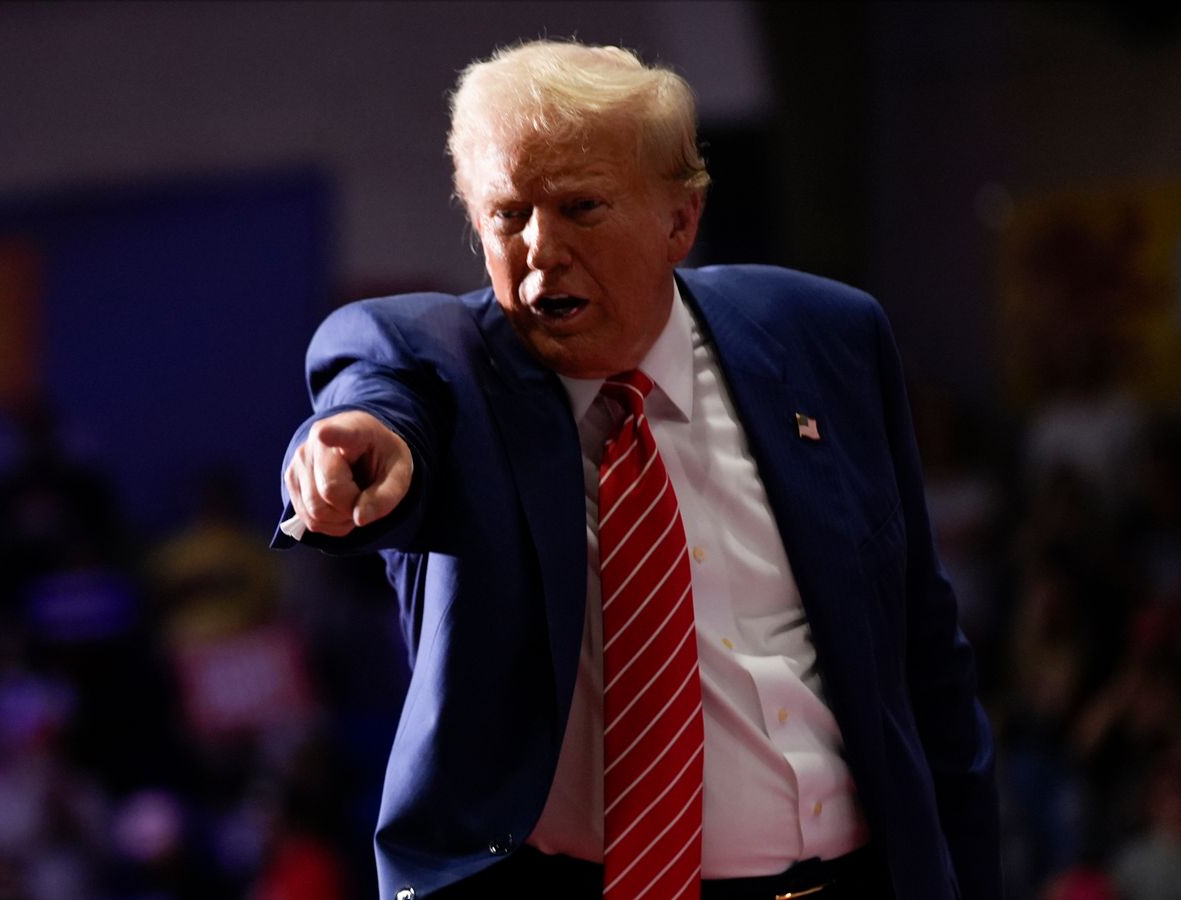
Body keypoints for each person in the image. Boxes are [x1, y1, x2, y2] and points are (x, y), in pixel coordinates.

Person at [276, 39, 1000, 900]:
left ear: (679, 221)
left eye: (581, 207)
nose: (540, 250)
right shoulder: (441, 367)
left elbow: (924, 655)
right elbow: (371, 403)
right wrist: (352, 450)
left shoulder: (826, 335)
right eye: (508, 215)